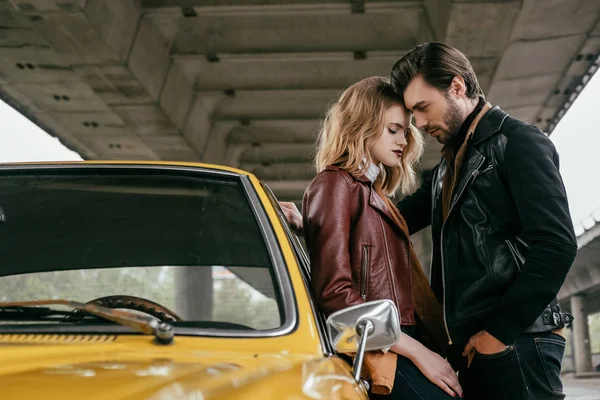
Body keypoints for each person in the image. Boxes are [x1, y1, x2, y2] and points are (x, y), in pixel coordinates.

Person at [281, 42, 577, 400]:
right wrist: (316, 224)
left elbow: (557, 245)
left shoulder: (518, 143)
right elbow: (383, 222)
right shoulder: (447, 170)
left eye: (421, 109)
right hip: (472, 348)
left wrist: (498, 333)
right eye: (405, 120)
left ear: (457, 87)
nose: (417, 126)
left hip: (516, 339)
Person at [301, 76, 462, 399]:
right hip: (380, 345)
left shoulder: (373, 193)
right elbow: (335, 293)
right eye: (392, 130)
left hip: (397, 338)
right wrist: (417, 351)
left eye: (405, 131)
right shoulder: (335, 185)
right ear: (361, 125)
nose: (402, 140)